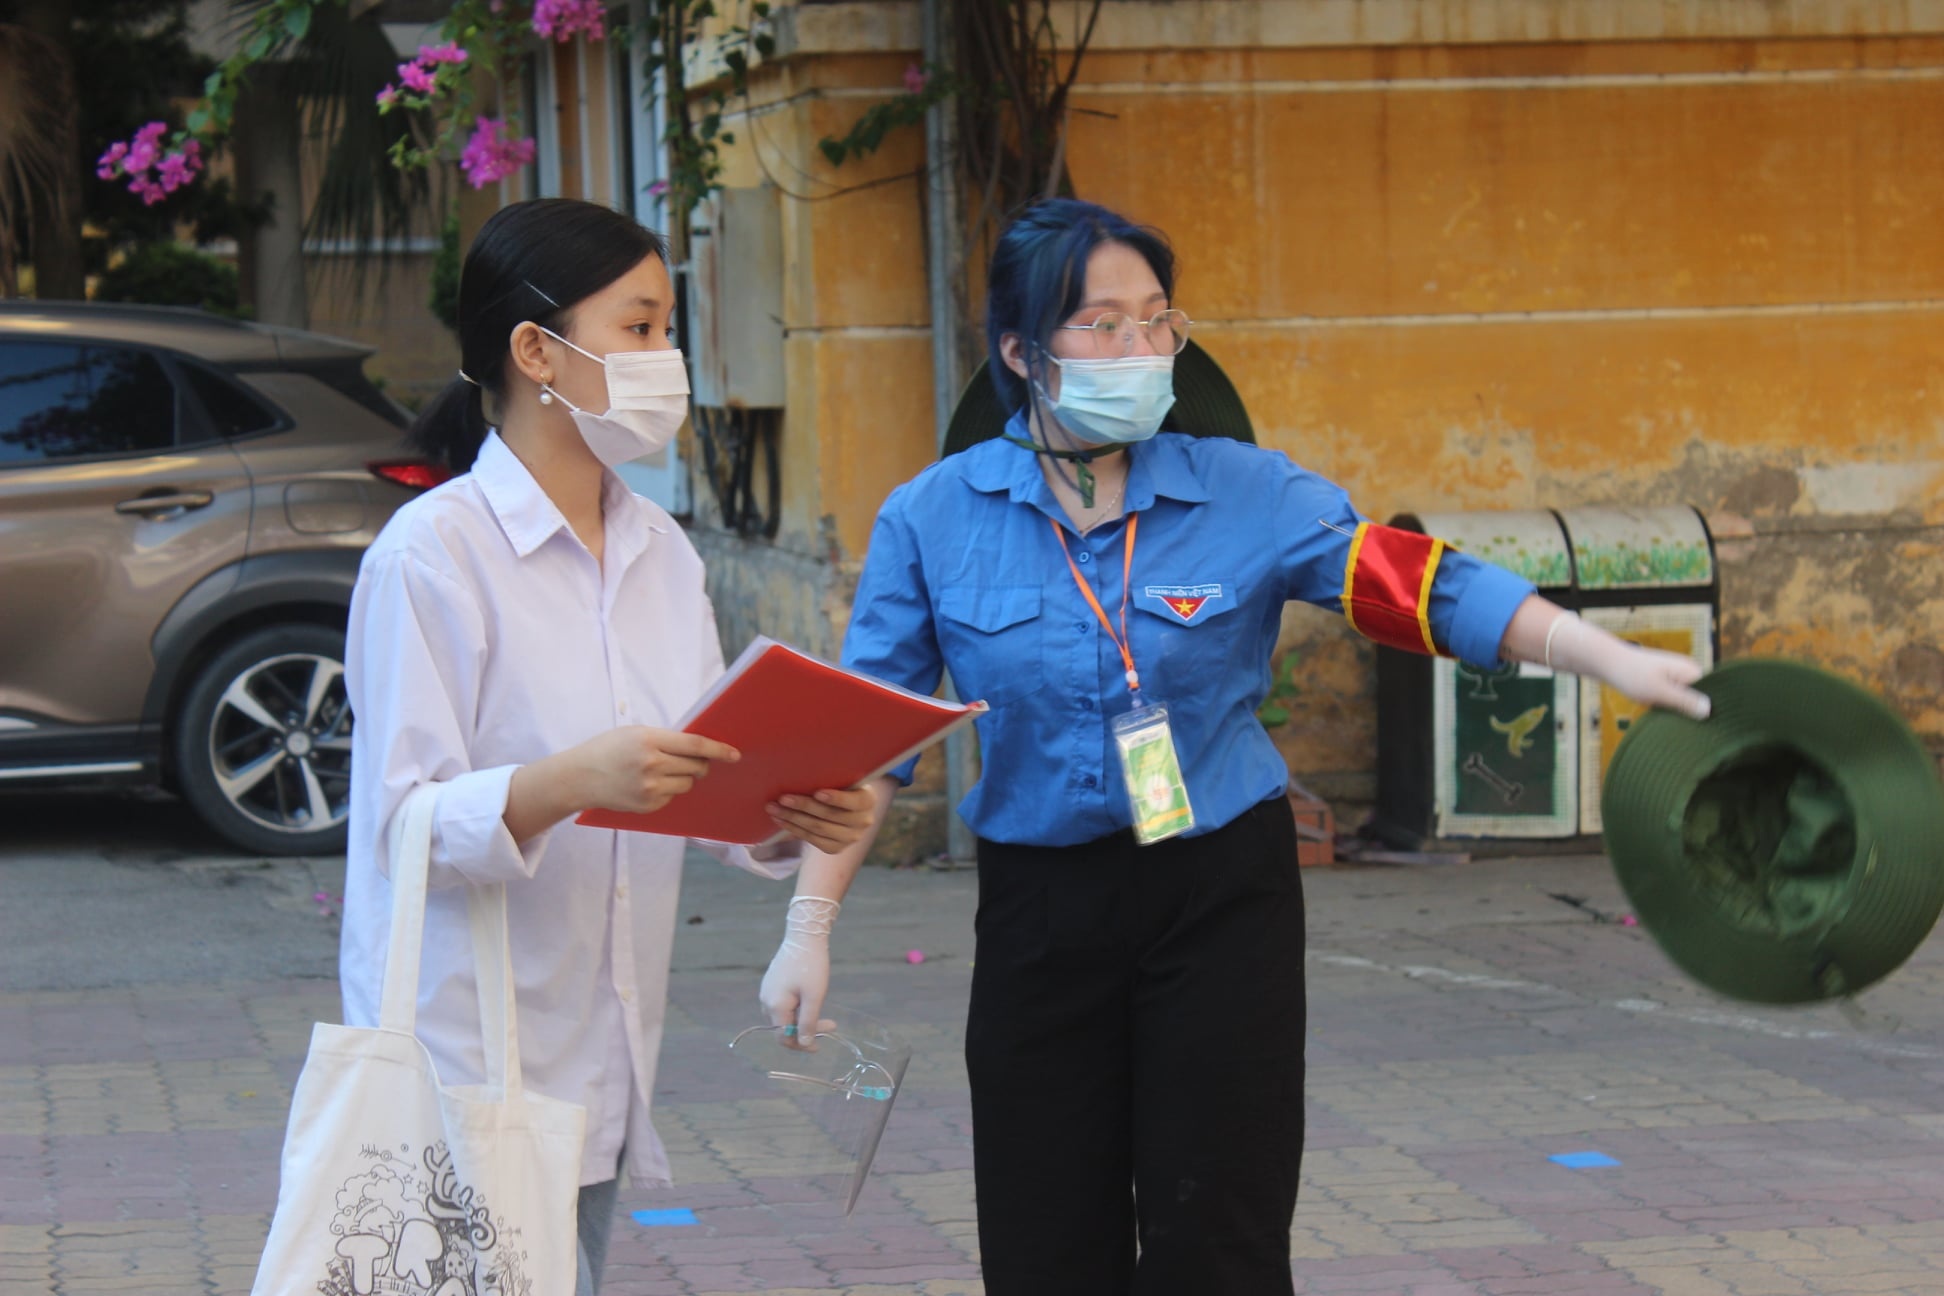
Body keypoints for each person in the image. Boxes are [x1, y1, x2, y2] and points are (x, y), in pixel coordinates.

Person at [754, 198, 1712, 1295]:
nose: (1140, 349)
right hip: (1039, 912)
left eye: (1157, 321)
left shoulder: (1248, 491)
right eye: (1102, 324)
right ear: (1022, 351)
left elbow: (1416, 583)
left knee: (1223, 1228)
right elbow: (870, 738)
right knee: (1042, 1232)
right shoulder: (931, 518)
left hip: (1218, 894)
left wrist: (1607, 656)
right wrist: (808, 928)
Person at [338, 198, 875, 1296]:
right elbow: (401, 828)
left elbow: (703, 774)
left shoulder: (661, 553)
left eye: (667, 327)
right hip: (463, 1063)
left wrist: (798, 815)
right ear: (536, 350)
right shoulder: (432, 559)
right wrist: (570, 782)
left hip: (603, 1060)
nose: (664, 359)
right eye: (637, 329)